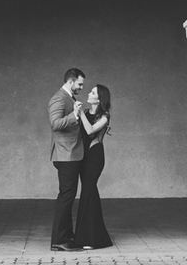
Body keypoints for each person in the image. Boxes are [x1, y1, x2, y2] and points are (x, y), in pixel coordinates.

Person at [48, 68, 85, 252]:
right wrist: (74, 116)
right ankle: (59, 240)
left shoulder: (70, 98)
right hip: (65, 155)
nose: (81, 87)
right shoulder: (58, 98)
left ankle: (66, 237)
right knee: (66, 196)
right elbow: (55, 124)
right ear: (70, 81)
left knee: (68, 196)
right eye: (79, 84)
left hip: (71, 154)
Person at [74, 84, 113, 249]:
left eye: (93, 92)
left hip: (95, 157)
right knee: (88, 193)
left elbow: (90, 130)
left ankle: (90, 239)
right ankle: (95, 237)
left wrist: (80, 112)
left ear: (99, 98)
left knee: (88, 192)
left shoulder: (104, 116)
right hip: (83, 157)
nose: (89, 93)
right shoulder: (86, 113)